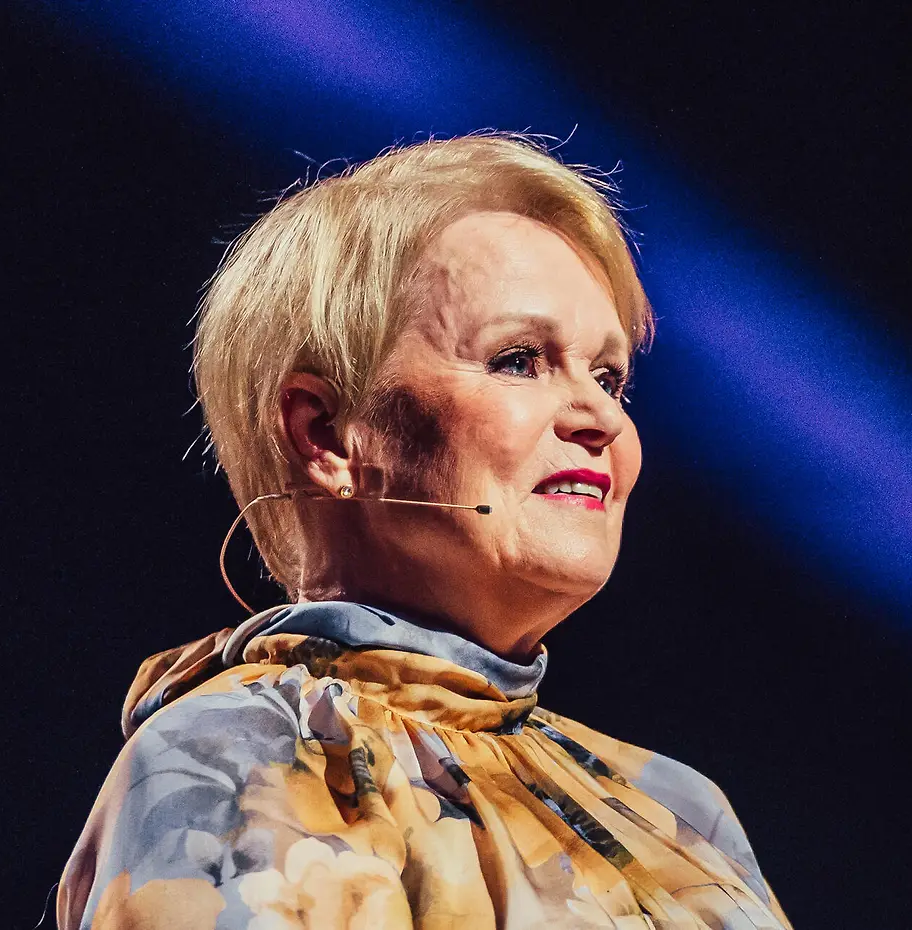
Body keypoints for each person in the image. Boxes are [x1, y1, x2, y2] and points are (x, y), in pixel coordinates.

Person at [56, 134, 791, 929]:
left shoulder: (676, 812)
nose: (602, 418)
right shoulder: (230, 762)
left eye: (610, 377)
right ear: (327, 436)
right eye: (518, 360)